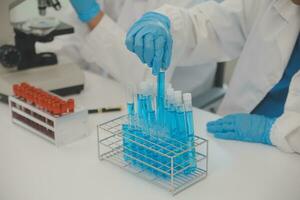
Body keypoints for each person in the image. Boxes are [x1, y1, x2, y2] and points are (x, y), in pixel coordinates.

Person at [125, 0, 300, 153]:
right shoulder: (269, 3)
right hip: (233, 141)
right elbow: (213, 26)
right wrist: (168, 24)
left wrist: (276, 131)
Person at [38, 0, 218, 98]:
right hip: (106, 92)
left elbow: (147, 76)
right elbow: (75, 36)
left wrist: (93, 16)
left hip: (163, 110)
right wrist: (49, 60)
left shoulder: (190, 5)